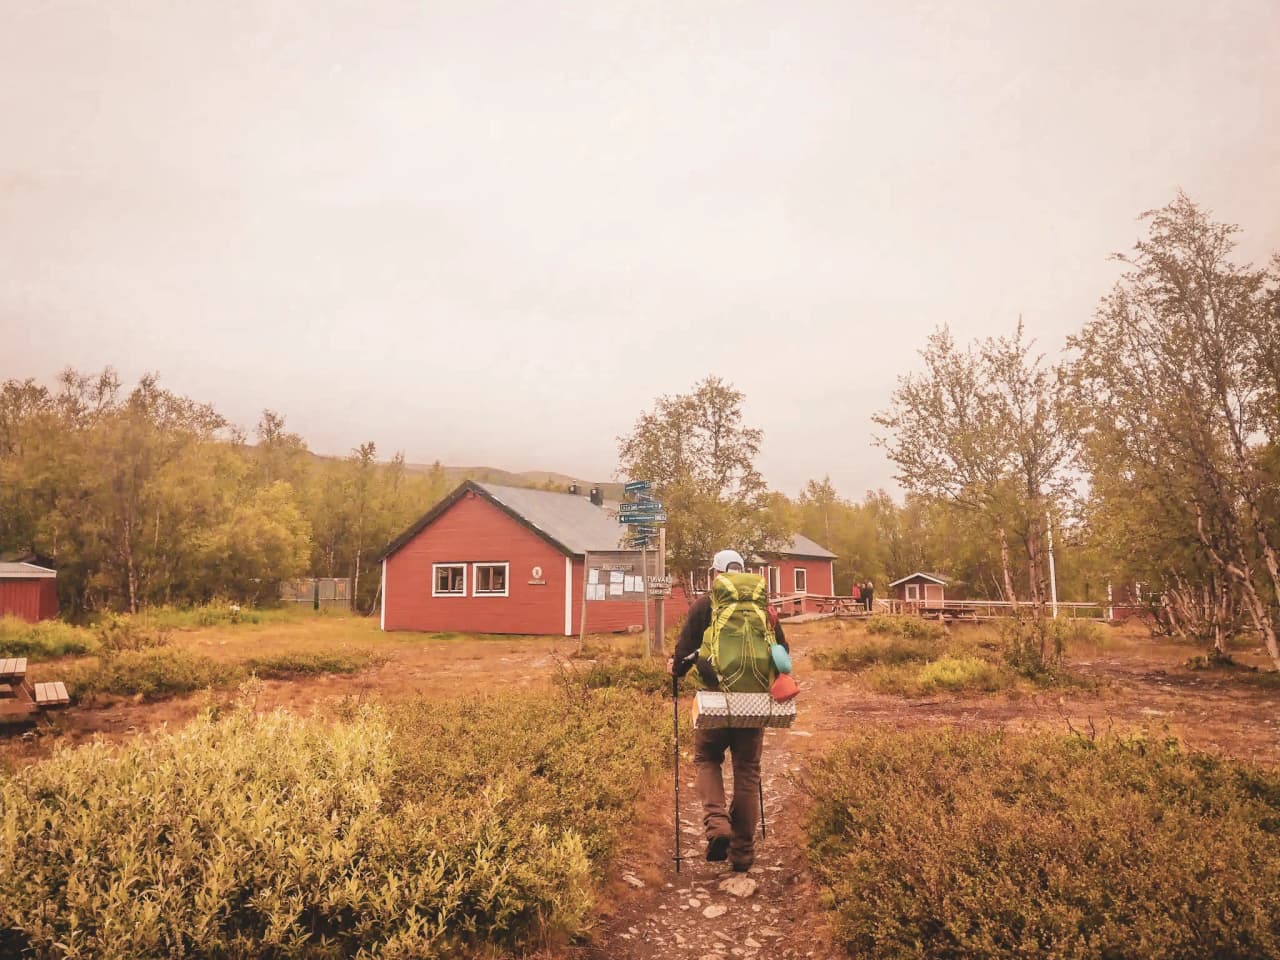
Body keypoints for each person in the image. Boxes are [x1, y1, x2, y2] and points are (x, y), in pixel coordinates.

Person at [668, 548, 788, 872]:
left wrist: (676, 669)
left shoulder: (705, 604)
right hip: (753, 702)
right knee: (747, 771)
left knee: (707, 759)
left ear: (716, 573)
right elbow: (782, 651)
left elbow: (683, 655)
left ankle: (717, 824)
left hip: (715, 700)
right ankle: (743, 853)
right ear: (743, 571)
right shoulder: (763, 607)